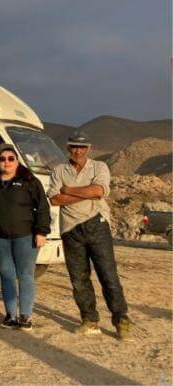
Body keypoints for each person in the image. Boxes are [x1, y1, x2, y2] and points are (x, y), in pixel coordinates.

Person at [48, 131, 131, 339]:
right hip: (70, 229)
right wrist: (83, 191)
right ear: (68, 148)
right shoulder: (59, 170)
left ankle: (121, 319)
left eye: (82, 147)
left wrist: (69, 189)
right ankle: (89, 320)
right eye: (74, 147)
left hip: (96, 224)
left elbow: (99, 191)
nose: (78, 151)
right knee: (79, 278)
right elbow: (55, 200)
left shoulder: (99, 167)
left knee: (108, 274)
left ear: (89, 149)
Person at [0, 144, 50, 329]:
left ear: (17, 161)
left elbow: (42, 208)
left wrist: (41, 231)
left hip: (25, 236)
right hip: (0, 237)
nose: (6, 162)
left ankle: (25, 316)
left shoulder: (29, 181)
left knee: (25, 275)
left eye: (10, 158)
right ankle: (10, 315)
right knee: (6, 275)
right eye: (2, 159)